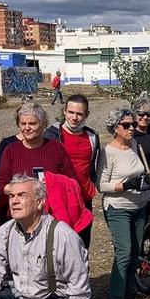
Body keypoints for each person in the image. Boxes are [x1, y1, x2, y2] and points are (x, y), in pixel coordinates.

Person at [98, 109, 150, 299]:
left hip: (139, 205)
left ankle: (130, 293)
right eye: (126, 125)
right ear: (115, 128)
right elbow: (101, 185)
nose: (132, 128)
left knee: (136, 252)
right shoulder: (108, 152)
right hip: (118, 206)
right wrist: (124, 185)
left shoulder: (135, 145)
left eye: (132, 124)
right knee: (124, 251)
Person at [0, 102, 76, 217]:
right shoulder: (11, 150)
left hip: (52, 214)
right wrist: (23, 192)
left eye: (32, 124)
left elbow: (72, 181)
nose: (27, 128)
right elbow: (1, 185)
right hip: (20, 216)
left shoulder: (57, 148)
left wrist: (53, 184)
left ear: (43, 125)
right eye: (23, 124)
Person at [44, 94, 105, 247]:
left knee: (82, 245)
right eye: (71, 112)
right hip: (58, 200)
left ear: (87, 115)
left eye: (79, 114)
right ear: (64, 111)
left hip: (83, 199)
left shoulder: (92, 136)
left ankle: (82, 272)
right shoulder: (51, 135)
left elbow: (92, 164)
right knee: (58, 246)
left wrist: (91, 186)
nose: (74, 117)